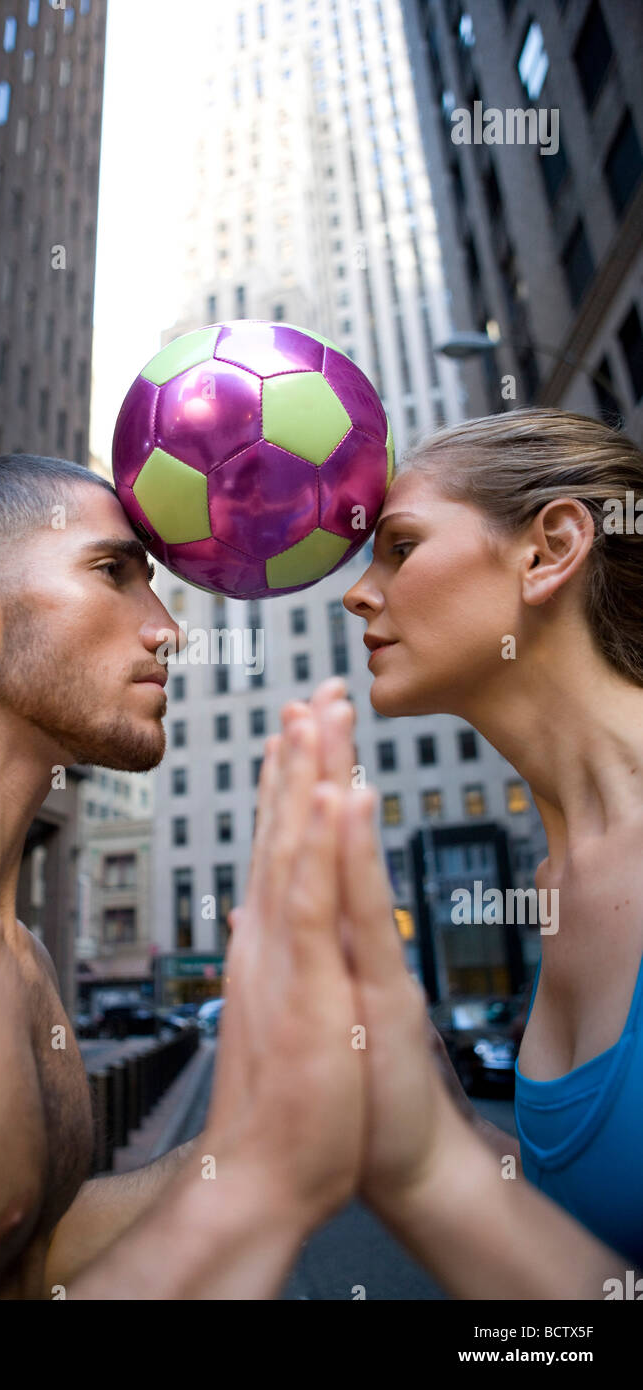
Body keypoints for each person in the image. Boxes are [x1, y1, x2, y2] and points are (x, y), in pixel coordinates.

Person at [0, 453, 369, 1300]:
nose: (167, 628)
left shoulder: (22, 952)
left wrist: (264, 1134)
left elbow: (23, 1256)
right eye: (113, 573)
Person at [284, 405, 643, 1294]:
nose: (356, 593)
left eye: (401, 548)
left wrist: (425, 1182)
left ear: (549, 549)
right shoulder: (559, 874)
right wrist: (430, 1120)